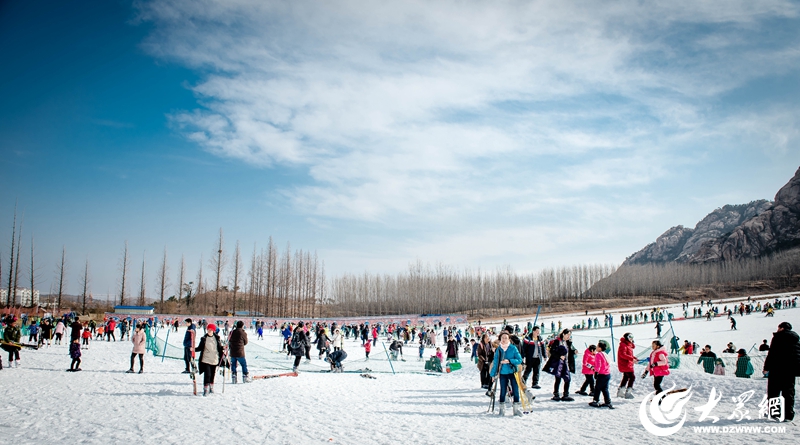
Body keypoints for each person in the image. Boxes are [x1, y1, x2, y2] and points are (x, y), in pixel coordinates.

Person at [763, 322, 800, 421]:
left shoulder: (778, 337)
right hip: (790, 371)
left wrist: (766, 367)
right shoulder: (796, 339)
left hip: (777, 369)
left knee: (774, 392)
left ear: (782, 328)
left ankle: (774, 413)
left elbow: (772, 354)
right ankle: (788, 415)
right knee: (788, 393)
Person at [489, 331, 524, 416]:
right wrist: (493, 375)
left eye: (506, 338)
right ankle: (502, 410)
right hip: (503, 373)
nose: (504, 340)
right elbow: (496, 362)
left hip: (512, 372)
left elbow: (519, 360)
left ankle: (516, 410)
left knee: (515, 390)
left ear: (509, 339)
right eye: (502, 338)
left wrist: (509, 361)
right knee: (503, 391)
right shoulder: (499, 350)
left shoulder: (513, 348)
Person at [544, 329, 576, 401]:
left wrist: (574, 351)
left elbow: (569, 351)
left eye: (569, 335)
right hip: (558, 363)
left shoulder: (568, 342)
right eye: (567, 334)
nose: (568, 336)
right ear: (563, 334)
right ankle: (556, 394)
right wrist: (559, 356)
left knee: (567, 379)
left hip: (566, 363)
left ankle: (565, 395)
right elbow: (552, 351)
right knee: (558, 379)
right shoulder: (557, 341)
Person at [197, 324, 224, 396]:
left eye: (211, 330)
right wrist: (193, 349)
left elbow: (219, 347)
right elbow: (200, 348)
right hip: (206, 359)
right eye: (208, 329)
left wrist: (223, 348)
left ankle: (211, 386)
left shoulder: (217, 338)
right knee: (207, 374)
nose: (209, 331)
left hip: (214, 359)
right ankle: (206, 388)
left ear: (213, 330)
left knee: (212, 374)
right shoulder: (204, 338)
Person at [588, 340, 613, 409]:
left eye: (598, 346)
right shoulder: (605, 354)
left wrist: (596, 372)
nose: (596, 347)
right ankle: (608, 402)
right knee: (605, 388)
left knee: (597, 388)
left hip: (602, 374)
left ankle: (595, 401)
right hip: (607, 374)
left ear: (600, 348)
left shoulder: (598, 354)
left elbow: (598, 364)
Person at [617, 333, 636, 399]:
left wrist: (634, 358)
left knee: (625, 377)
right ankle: (628, 392)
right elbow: (623, 354)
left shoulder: (628, 345)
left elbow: (629, 354)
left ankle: (621, 392)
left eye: (632, 337)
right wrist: (631, 359)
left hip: (628, 363)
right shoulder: (623, 345)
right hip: (626, 364)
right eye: (630, 337)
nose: (631, 339)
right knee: (632, 377)